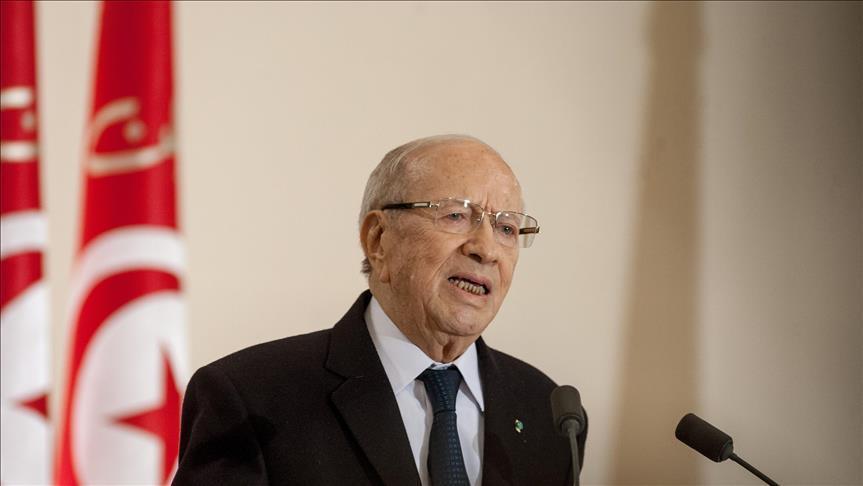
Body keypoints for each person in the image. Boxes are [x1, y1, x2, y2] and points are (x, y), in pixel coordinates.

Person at [173, 135, 587, 485]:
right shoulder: (252, 397)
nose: (486, 249)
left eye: (507, 228)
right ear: (378, 239)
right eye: (457, 216)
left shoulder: (549, 413)